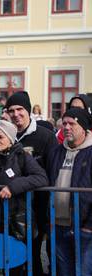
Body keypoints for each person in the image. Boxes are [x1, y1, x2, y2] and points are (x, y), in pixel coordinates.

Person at [0, 120, 48, 275]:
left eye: (1, 137)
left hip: (14, 220)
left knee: (13, 265)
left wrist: (13, 187)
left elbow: (41, 178)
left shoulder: (22, 156)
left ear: (11, 139)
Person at [5, 91, 57, 276]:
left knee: (34, 252)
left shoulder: (45, 136)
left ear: (28, 110)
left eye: (20, 109)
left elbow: (52, 172)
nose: (16, 114)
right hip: (12, 205)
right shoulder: (6, 134)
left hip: (37, 204)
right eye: (11, 110)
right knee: (13, 254)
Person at [47, 108, 92, 275]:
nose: (66, 127)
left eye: (72, 123)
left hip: (85, 228)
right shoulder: (56, 152)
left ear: (84, 128)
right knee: (64, 272)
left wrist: (89, 226)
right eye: (64, 123)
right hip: (59, 226)